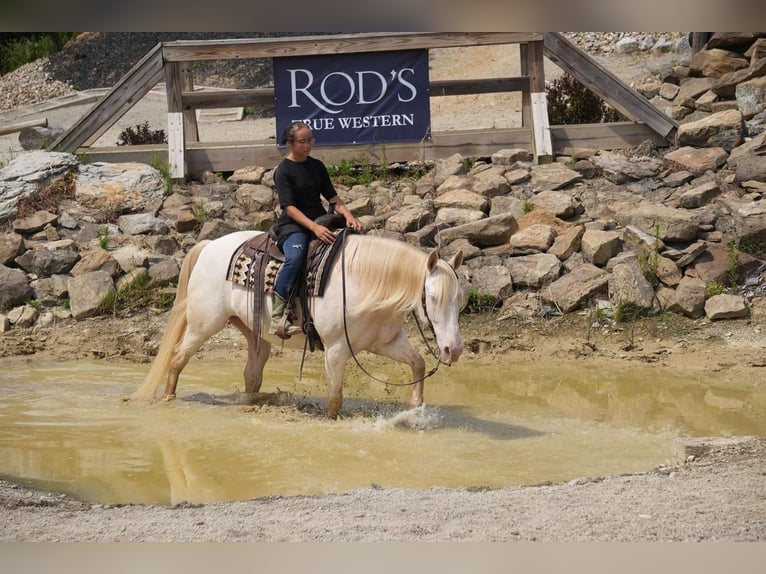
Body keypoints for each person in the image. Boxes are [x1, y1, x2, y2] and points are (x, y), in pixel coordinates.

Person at [270, 121, 366, 338]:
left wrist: (349, 216)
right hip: (294, 226)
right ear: (291, 143)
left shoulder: (317, 166)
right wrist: (313, 227)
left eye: (310, 140)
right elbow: (289, 207)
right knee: (295, 257)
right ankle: (277, 315)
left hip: (320, 221)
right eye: (303, 141)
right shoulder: (283, 171)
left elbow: (332, 197)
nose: (308, 145)